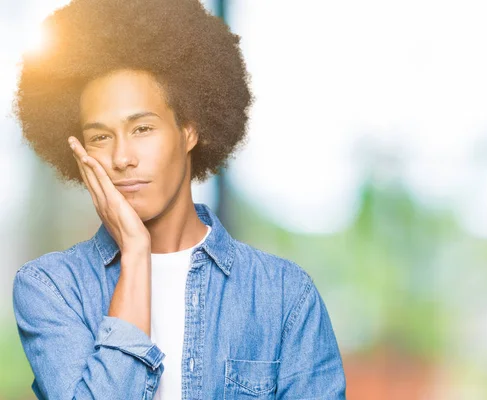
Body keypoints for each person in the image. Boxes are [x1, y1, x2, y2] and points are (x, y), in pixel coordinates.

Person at [11, 0, 347, 398]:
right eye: (100, 137)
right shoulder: (52, 289)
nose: (122, 158)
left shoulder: (283, 296)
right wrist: (135, 253)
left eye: (143, 128)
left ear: (189, 131)